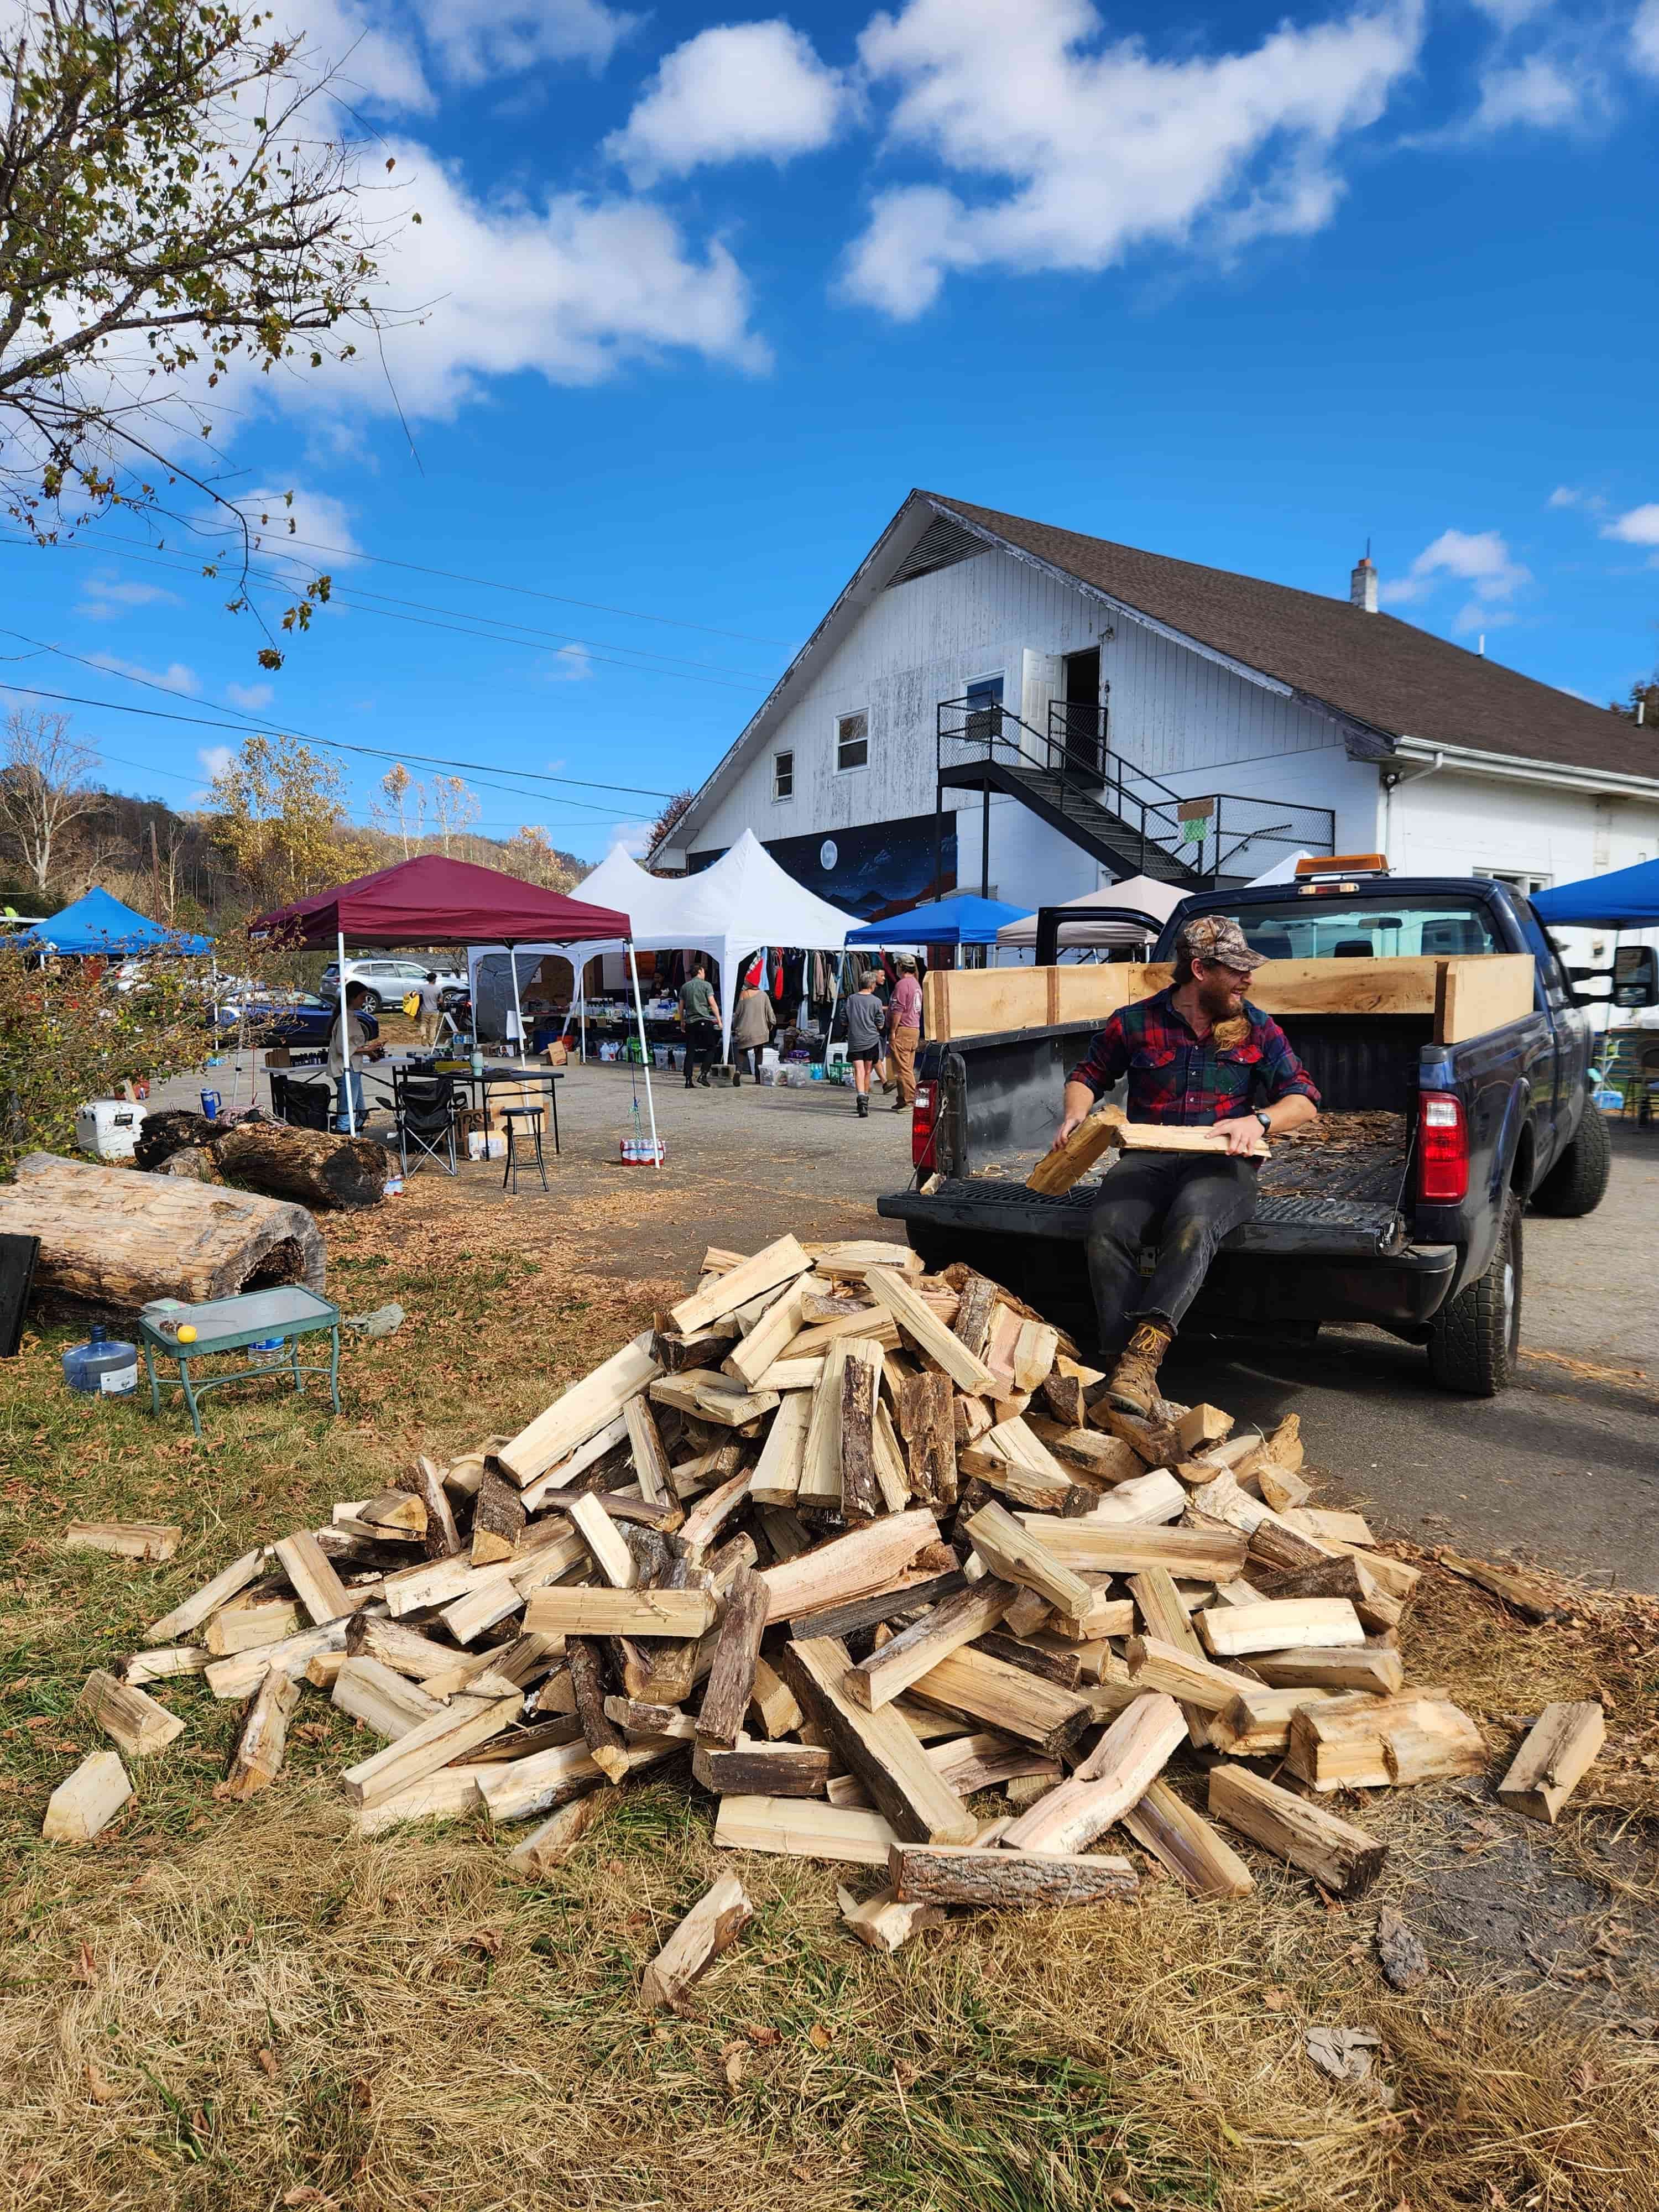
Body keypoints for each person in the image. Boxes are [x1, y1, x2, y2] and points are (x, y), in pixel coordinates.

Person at [1050, 914, 1319, 1415]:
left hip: (1223, 1165)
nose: (1248, 979)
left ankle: (1142, 1361)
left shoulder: (1257, 1027)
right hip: (1149, 1157)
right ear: (1199, 970)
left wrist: (1259, 1121)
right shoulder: (1135, 1022)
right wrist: (1075, 1115)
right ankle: (1120, 1365)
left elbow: (1303, 1098)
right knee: (1108, 1227)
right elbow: (1088, 1074)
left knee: (1194, 1221)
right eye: (1236, 970)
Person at [327, 981, 385, 1132]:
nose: (364, 1001)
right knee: (347, 1114)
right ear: (352, 998)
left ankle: (356, 1141)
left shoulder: (350, 1017)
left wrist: (369, 1051)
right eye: (362, 997)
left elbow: (352, 1046)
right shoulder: (344, 1019)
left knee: (361, 1113)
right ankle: (344, 1143)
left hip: (354, 1068)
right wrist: (367, 1049)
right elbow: (343, 1048)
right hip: (346, 1070)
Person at [842, 972, 886, 1119]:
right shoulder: (876, 1001)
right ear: (873, 985)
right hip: (871, 1041)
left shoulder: (851, 1000)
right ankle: (865, 1101)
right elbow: (880, 1023)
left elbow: (843, 1018)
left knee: (858, 1071)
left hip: (855, 1040)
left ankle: (861, 1098)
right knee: (867, 1071)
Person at [886, 955, 923, 1111]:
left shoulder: (902, 985)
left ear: (901, 966)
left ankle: (911, 1101)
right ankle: (902, 1099)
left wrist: (893, 1031)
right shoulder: (915, 984)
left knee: (903, 1068)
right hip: (914, 1029)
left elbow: (898, 1010)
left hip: (903, 1029)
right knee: (904, 1066)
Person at [679, 958, 719, 1088]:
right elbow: (712, 1004)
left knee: (690, 1051)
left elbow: (681, 1007)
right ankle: (703, 1074)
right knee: (711, 1047)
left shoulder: (685, 987)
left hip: (690, 1022)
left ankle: (688, 1080)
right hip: (703, 1021)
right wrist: (719, 1020)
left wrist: (682, 1022)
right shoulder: (706, 985)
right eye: (704, 971)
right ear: (700, 971)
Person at [731, 975, 776, 1085]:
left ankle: (738, 1071)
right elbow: (770, 1014)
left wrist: (735, 1026)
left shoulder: (743, 994)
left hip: (745, 1029)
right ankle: (758, 1077)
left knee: (742, 1051)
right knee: (759, 1052)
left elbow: (738, 1014)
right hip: (760, 1030)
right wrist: (772, 1023)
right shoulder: (764, 995)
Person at [413, 970, 444, 1050]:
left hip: (424, 1011)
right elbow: (441, 1001)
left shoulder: (422, 988)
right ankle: (431, 1042)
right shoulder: (438, 989)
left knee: (423, 1025)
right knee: (433, 1027)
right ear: (434, 980)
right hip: (434, 1011)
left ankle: (424, 1035)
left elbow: (414, 994)